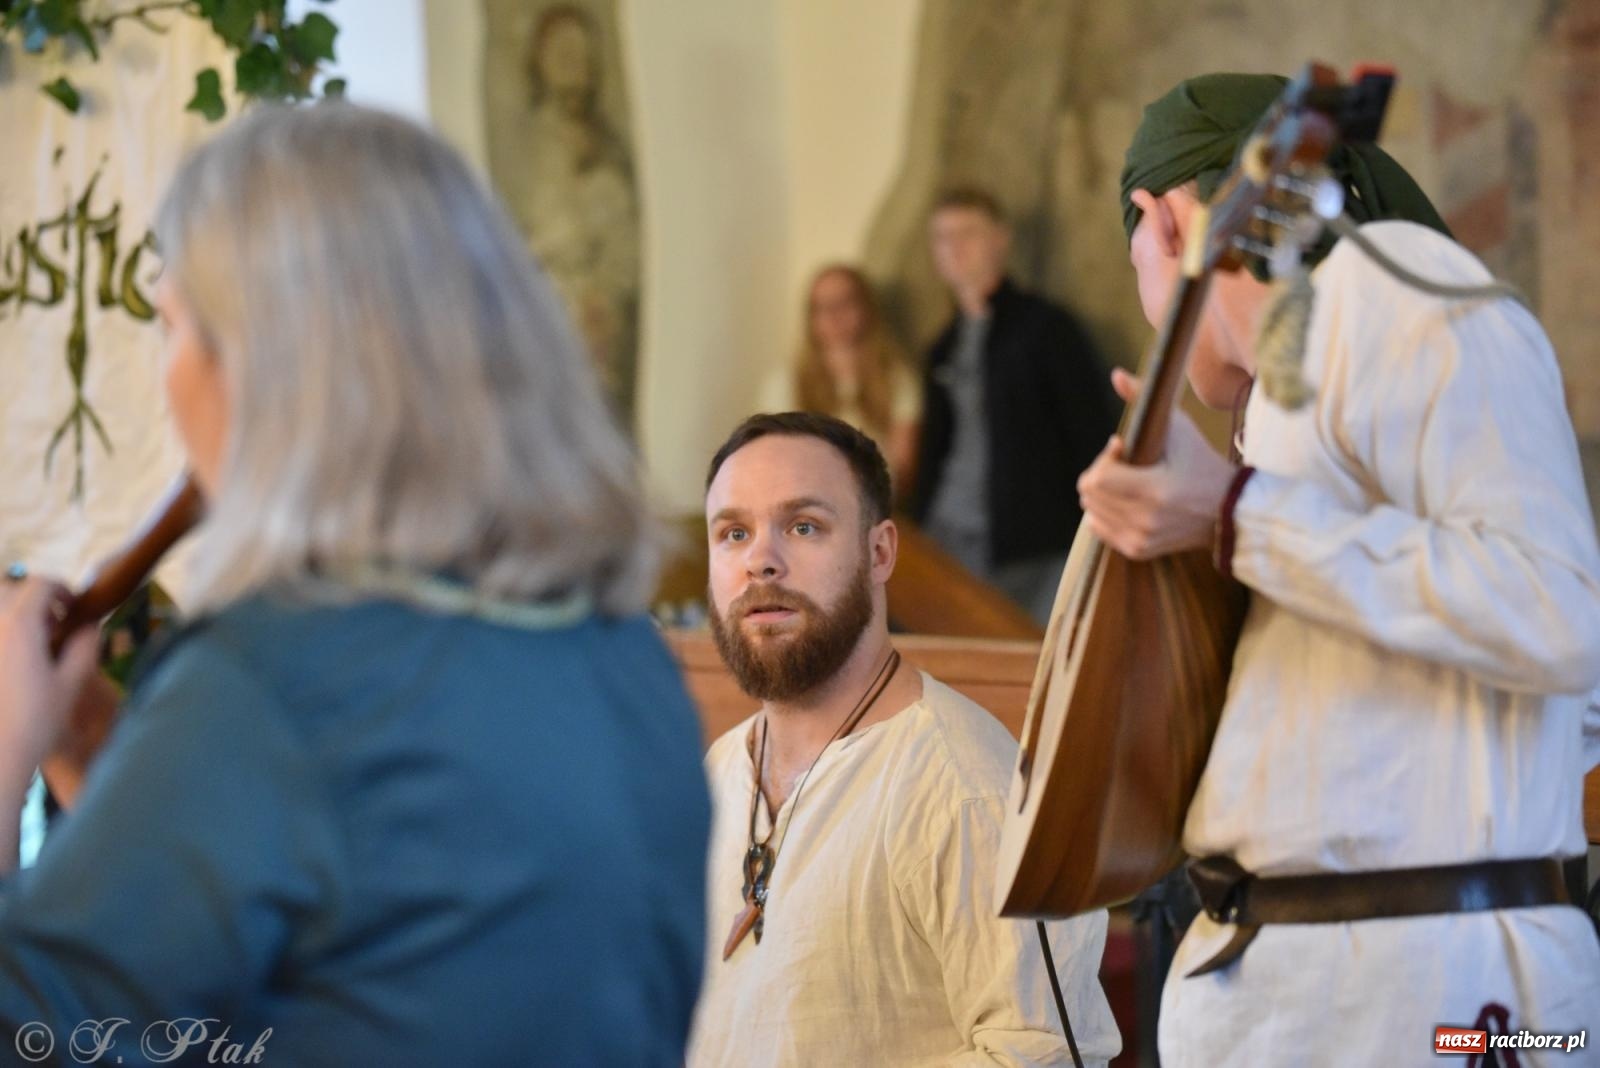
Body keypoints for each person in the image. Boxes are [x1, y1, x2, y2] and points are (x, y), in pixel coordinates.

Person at [0, 104, 709, 1066]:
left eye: (169, 325)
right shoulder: (625, 661)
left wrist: (6, 744)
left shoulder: (273, 682)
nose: (166, 379)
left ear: (270, 368)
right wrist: (94, 755)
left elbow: (33, 1037)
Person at [1078, 72, 1600, 1065]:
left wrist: (1234, 515)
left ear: (1162, 219)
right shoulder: (1280, 399)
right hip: (1314, 980)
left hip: (1438, 993)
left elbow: (1561, 615)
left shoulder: (1393, 291)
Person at [688, 411, 1120, 1067]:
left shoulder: (962, 785)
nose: (761, 561)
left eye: (803, 526)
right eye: (734, 533)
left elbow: (1046, 1054)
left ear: (880, 551)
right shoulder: (719, 773)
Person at [909, 187, 1118, 625]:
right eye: (942, 238)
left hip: (1033, 546)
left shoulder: (1046, 330)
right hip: (950, 541)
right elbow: (935, 450)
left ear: (999, 238)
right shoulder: (943, 346)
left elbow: (1089, 431)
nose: (954, 249)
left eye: (967, 233)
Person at [762, 264, 921, 494]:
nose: (834, 315)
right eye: (822, 307)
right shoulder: (785, 382)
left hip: (875, 503)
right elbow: (775, 461)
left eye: (845, 302)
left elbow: (904, 468)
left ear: (866, 308)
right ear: (811, 318)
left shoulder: (897, 378)